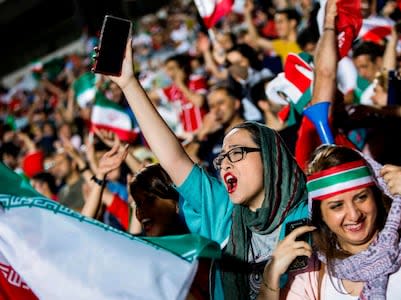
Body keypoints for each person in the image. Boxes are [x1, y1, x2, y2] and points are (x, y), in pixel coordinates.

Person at [102, 32, 309, 300]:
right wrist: (128, 84)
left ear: (270, 157)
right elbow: (173, 158)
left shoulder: (307, 209)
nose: (225, 164)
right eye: (222, 158)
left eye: (236, 153)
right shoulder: (223, 212)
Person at [258, 143, 401, 299]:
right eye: (337, 206)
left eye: (361, 197)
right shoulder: (313, 274)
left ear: (376, 195)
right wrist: (271, 276)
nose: (354, 214)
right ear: (320, 215)